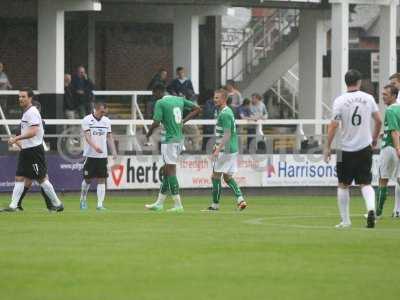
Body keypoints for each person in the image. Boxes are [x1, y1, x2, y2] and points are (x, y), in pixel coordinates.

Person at [324, 69, 382, 228]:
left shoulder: (339, 101)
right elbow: (378, 121)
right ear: (359, 82)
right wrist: (374, 138)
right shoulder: (368, 98)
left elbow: (333, 126)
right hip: (364, 147)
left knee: (343, 184)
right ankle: (371, 210)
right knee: (366, 183)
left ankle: (345, 221)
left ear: (346, 82)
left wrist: (327, 146)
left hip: (343, 149)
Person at [1, 88, 64, 212]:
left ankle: (57, 204)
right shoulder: (26, 112)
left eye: (23, 96)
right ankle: (13, 206)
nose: (20, 99)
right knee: (19, 177)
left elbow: (33, 132)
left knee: (42, 179)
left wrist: (16, 138)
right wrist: (19, 143)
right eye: (19, 97)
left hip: (34, 151)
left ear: (30, 98)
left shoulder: (32, 112)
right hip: (26, 150)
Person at [144, 84, 201, 212]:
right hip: (180, 140)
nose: (153, 97)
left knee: (170, 171)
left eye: (153, 94)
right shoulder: (179, 99)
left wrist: (148, 133)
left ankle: (178, 204)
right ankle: (159, 203)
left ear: (157, 92)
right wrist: (183, 121)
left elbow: (157, 121)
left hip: (169, 140)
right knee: (167, 170)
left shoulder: (160, 102)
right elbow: (197, 109)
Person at [203, 89, 247, 211]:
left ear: (223, 99)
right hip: (232, 149)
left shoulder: (225, 114)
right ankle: (240, 200)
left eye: (217, 98)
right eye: (214, 97)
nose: (214, 99)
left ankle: (215, 205)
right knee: (227, 177)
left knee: (215, 176)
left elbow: (227, 134)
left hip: (226, 150)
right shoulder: (225, 112)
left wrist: (218, 149)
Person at [14, 100, 54, 211]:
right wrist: (24, 148)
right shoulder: (25, 121)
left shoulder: (42, 122)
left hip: (37, 153)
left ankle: (17, 204)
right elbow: (16, 136)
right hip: (30, 154)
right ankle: (52, 206)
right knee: (41, 178)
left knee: (32, 180)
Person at [79, 102, 117, 211]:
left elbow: (109, 137)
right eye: (101, 111)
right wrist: (95, 146)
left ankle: (100, 204)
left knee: (102, 179)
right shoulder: (87, 120)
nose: (103, 114)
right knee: (88, 180)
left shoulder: (106, 121)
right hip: (90, 155)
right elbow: (87, 136)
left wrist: (113, 150)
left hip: (102, 156)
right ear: (95, 109)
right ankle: (83, 199)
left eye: (104, 112)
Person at [375, 85, 400, 218]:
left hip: (390, 148)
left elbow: (395, 131)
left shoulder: (390, 110)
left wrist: (397, 148)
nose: (383, 96)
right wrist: (384, 133)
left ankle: (377, 212)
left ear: (394, 96)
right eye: (383, 94)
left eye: (386, 94)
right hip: (396, 145)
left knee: (383, 179)